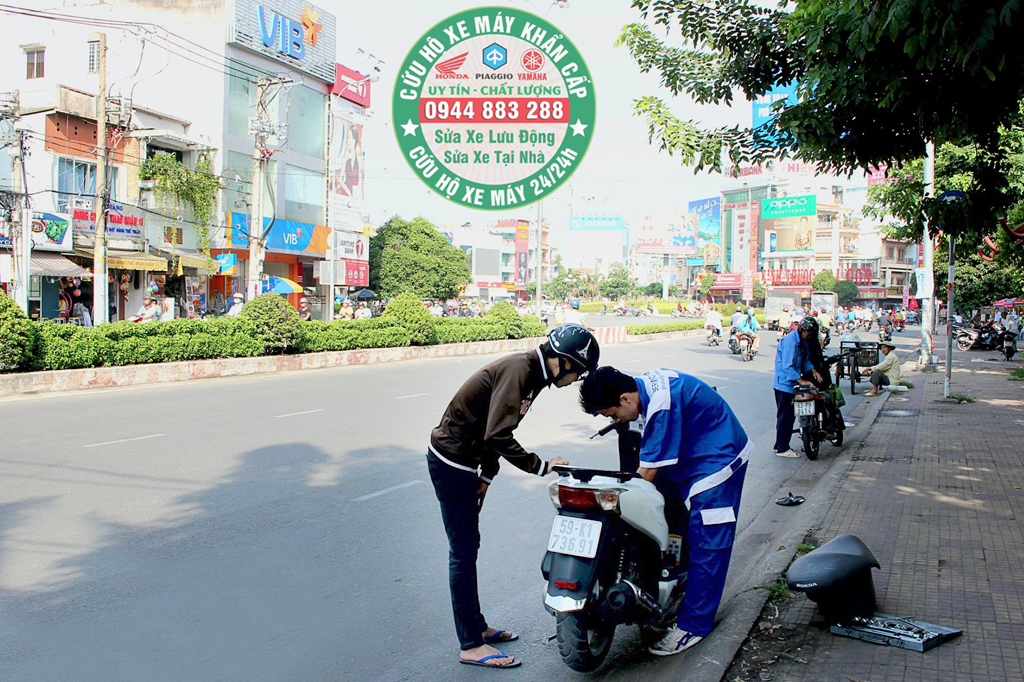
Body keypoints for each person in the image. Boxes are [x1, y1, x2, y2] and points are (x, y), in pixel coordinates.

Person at [428, 324, 600, 669]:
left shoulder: (533, 373)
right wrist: (540, 466)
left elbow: (494, 426)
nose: (575, 381)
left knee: (469, 548)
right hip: (453, 462)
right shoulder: (520, 371)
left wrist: (487, 476)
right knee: (462, 553)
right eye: (579, 373)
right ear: (565, 362)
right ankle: (471, 645)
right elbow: (498, 434)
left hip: (468, 463)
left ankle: (476, 628)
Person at [578, 366, 750, 655]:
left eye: (612, 414)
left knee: (709, 541)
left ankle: (693, 627)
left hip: (718, 460)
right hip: (688, 452)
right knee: (664, 510)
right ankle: (675, 572)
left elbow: (644, 474)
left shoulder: (662, 405)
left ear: (624, 399)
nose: (615, 420)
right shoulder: (642, 391)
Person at [772, 318, 823, 457]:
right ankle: (783, 449)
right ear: (801, 329)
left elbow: (805, 361)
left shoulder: (802, 343)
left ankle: (779, 444)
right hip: (783, 384)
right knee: (786, 416)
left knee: (788, 416)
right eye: (809, 333)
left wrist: (814, 371)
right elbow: (787, 367)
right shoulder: (790, 341)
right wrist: (802, 381)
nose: (810, 337)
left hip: (792, 383)